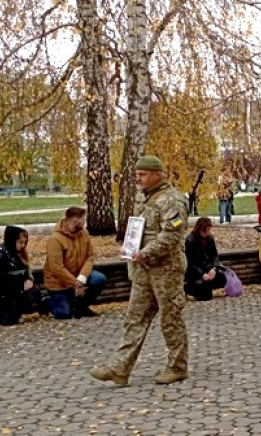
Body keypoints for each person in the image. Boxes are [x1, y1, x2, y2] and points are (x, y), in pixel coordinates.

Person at [90, 155, 190, 386]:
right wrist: (132, 250)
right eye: (137, 175)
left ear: (157, 174)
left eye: (142, 175)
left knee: (170, 318)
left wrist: (145, 252)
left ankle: (178, 366)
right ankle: (120, 368)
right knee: (134, 318)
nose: (138, 179)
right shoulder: (146, 199)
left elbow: (172, 235)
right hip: (144, 269)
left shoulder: (171, 200)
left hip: (166, 270)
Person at [44, 207, 107, 319]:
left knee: (99, 279)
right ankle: (46, 302)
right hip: (59, 282)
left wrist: (82, 277)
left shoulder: (84, 234)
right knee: (64, 314)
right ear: (74, 221)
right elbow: (56, 268)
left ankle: (81, 306)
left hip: (78, 275)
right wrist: (75, 284)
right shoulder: (55, 239)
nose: (85, 222)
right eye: (83, 219)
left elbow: (90, 256)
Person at [0, 226, 46, 325]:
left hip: (17, 288)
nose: (23, 245)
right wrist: (19, 283)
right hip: (4, 293)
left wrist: (28, 279)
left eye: (24, 243)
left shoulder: (17, 254)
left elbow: (26, 271)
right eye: (20, 242)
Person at [183, 217, 227, 301]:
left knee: (222, 278)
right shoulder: (191, 240)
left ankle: (206, 288)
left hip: (208, 268)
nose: (207, 233)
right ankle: (189, 288)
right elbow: (191, 262)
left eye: (208, 230)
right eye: (205, 231)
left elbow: (214, 256)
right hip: (195, 272)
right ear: (199, 230)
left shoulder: (209, 238)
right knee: (205, 296)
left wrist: (213, 268)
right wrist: (202, 274)